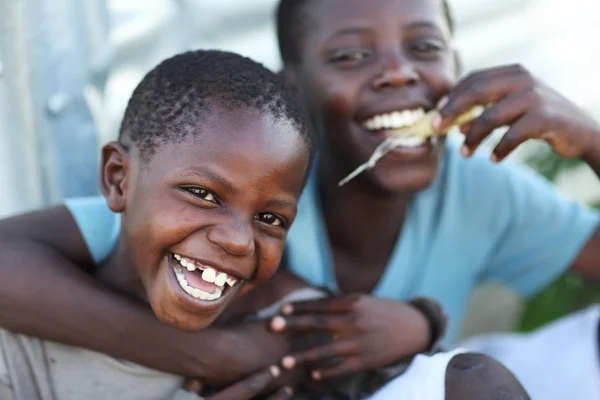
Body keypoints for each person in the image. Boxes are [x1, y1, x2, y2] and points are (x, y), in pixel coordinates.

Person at [1, 0, 598, 395]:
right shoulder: (242, 165)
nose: (397, 73)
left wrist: (592, 140)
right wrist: (216, 354)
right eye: (350, 56)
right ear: (294, 85)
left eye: (424, 47)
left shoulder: (478, 188)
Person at [0, 48, 317, 400]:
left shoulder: (298, 336)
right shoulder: (17, 353)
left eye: (270, 219)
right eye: (202, 193)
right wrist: (215, 353)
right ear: (118, 179)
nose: (239, 241)